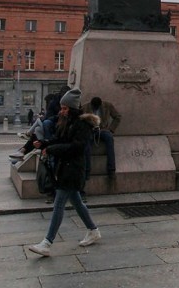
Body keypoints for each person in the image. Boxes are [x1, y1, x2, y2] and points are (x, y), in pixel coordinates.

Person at [28, 88, 101, 257]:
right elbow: (61, 140)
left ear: (73, 108)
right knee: (76, 201)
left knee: (59, 203)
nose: (61, 111)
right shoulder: (67, 122)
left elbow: (77, 147)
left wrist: (52, 149)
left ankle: (47, 243)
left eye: (65, 108)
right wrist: (45, 143)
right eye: (61, 108)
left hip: (74, 169)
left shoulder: (82, 124)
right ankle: (93, 230)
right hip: (65, 167)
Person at [81, 96, 121, 179]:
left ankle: (111, 170)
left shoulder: (108, 105)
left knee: (109, 138)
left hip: (102, 129)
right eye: (94, 107)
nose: (95, 108)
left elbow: (117, 117)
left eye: (97, 107)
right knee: (86, 143)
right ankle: (86, 170)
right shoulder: (84, 107)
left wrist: (111, 129)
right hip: (90, 130)